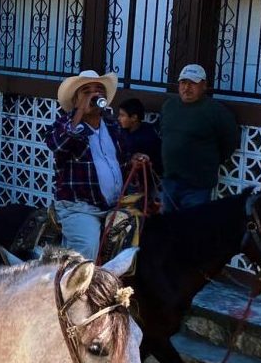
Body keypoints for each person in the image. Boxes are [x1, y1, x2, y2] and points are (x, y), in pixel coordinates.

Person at [44, 69, 148, 261]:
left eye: (98, 90)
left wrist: (133, 161)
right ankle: (71, 288)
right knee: (86, 251)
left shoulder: (112, 126)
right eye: (86, 91)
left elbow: (121, 161)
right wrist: (80, 111)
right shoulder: (63, 125)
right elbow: (57, 145)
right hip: (79, 207)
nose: (94, 94)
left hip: (114, 204)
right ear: (76, 99)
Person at [160, 63, 239, 211]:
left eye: (192, 83)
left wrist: (210, 161)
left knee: (193, 229)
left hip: (197, 186)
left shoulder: (216, 111)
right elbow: (163, 133)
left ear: (204, 86)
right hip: (170, 181)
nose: (186, 88)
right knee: (168, 228)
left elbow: (230, 142)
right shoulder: (169, 106)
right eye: (183, 82)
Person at [117, 97, 162, 174]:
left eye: (122, 115)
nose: (118, 118)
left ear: (134, 117)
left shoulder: (148, 138)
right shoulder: (121, 131)